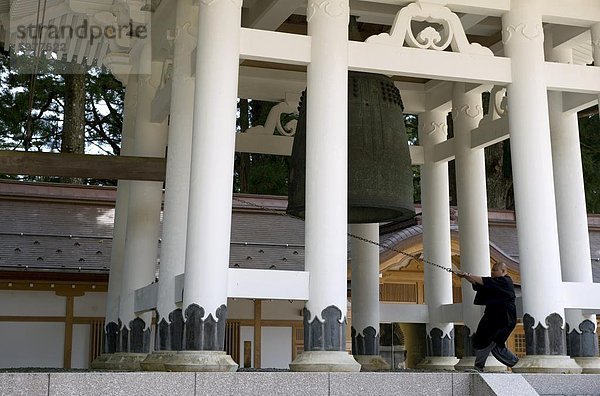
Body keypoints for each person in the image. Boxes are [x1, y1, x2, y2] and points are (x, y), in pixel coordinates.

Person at [458, 262, 519, 371]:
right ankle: (516, 363)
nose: (492, 272)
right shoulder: (495, 283)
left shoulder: (505, 281)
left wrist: (468, 274)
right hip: (492, 318)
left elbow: (484, 281)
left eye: (495, 270)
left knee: (488, 341)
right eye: (492, 270)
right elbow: (480, 284)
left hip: (503, 319)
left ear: (503, 271)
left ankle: (479, 366)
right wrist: (466, 276)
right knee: (495, 346)